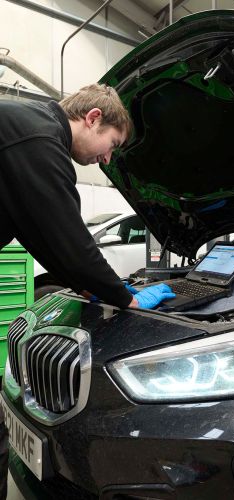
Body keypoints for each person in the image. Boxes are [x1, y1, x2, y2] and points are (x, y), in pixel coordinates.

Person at [0, 84, 176, 498]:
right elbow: (72, 244)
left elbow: (43, 239)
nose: (107, 159)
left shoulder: (28, 127)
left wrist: (88, 286)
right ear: (93, 118)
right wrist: (126, 298)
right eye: (111, 144)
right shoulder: (39, 139)